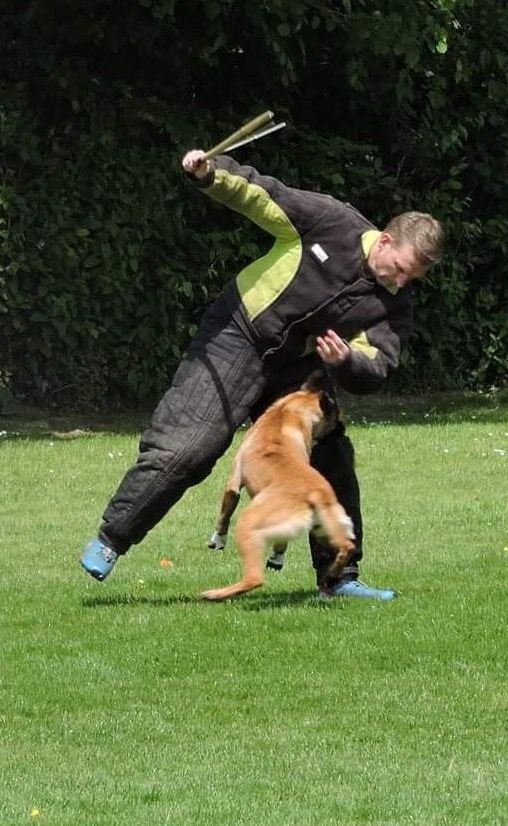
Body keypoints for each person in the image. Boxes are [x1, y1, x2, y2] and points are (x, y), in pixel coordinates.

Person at [80, 146, 443, 600]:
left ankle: (339, 579)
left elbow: (378, 367)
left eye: (412, 279)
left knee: (329, 456)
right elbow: (264, 195)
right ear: (386, 241)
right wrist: (211, 174)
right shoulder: (333, 222)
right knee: (190, 448)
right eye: (401, 270)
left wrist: (344, 362)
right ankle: (113, 539)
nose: (401, 282)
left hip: (298, 369)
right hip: (239, 335)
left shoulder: (395, 305)